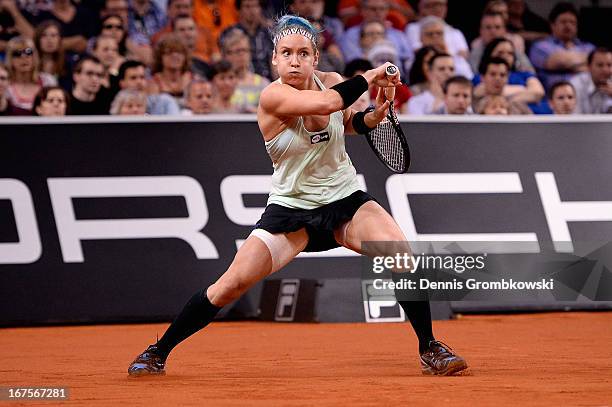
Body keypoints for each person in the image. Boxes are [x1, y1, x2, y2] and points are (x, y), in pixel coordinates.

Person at [127, 14, 468, 378]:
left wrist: (371, 118)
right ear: (274, 59)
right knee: (230, 285)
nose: (294, 60)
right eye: (286, 53)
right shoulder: (274, 96)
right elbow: (326, 105)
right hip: (291, 211)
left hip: (344, 200)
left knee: (399, 252)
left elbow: (346, 120)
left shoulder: (334, 82)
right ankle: (158, 351)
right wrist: (369, 76)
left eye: (303, 53)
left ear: (315, 58)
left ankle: (429, 347)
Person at [529, 2, 595, 91]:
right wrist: (585, 64)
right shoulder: (540, 46)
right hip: (552, 99)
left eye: (572, 22)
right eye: (563, 22)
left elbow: (598, 66)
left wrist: (570, 65)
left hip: (584, 97)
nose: (568, 26)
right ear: (552, 25)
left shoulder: (588, 47)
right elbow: (561, 62)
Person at [473, 37, 547, 114]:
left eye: (510, 53)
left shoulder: (525, 74)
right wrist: (521, 89)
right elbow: (480, 91)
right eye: (500, 52)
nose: (498, 78)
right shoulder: (478, 77)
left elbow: (538, 92)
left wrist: (507, 101)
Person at [338, 0, 413, 73]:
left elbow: (409, 61)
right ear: (363, 11)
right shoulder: (350, 35)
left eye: (382, 9)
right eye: (373, 9)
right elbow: (353, 63)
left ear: (387, 10)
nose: (378, 12)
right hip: (365, 78)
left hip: (396, 77)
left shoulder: (399, 35)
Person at [221, 0, 274, 81]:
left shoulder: (269, 34)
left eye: (255, 6)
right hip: (238, 81)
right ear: (239, 10)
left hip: (267, 82)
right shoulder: (229, 33)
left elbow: (275, 61)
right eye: (247, 6)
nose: (252, 11)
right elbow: (225, 62)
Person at [219, 27, 269, 113]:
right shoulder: (219, 84)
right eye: (238, 51)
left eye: (245, 50)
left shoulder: (263, 84)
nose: (242, 55)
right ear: (225, 55)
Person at [5, 36, 56, 111]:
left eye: (28, 51)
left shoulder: (48, 81)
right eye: (17, 53)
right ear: (10, 59)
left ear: (35, 56)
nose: (24, 56)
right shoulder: (4, 85)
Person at [149, 34, 192, 101]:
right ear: (160, 57)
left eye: (179, 52)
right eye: (169, 52)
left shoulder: (192, 80)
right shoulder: (154, 82)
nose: (175, 56)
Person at [570, 48, 612, 114]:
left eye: (609, 65)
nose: (605, 70)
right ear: (589, 67)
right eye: (600, 65)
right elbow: (575, 119)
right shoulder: (576, 85)